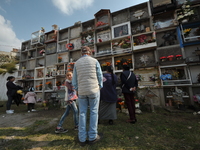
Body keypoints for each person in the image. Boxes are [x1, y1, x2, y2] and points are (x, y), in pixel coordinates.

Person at [72, 46, 103, 146]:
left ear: (81, 53)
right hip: (93, 89)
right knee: (94, 112)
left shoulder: (77, 63)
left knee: (82, 113)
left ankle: (82, 138)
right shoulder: (94, 61)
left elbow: (74, 79)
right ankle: (92, 136)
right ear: (89, 52)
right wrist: (100, 86)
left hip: (82, 91)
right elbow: (99, 75)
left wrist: (77, 89)